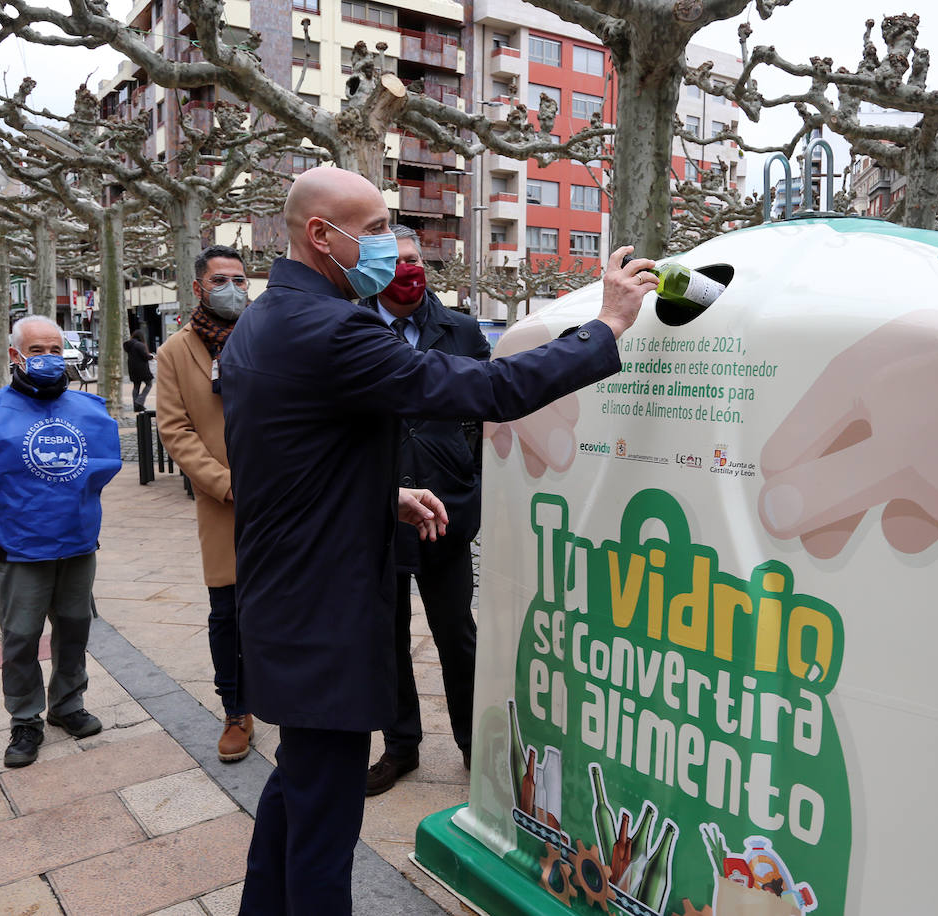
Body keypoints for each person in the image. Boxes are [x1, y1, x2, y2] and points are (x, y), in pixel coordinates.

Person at [219, 165, 658, 915]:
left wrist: (383, 496)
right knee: (324, 823)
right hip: (321, 616)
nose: (396, 245)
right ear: (322, 236)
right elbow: (483, 390)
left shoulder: (266, 319)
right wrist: (607, 327)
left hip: (283, 600)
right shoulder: (333, 327)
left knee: (300, 787)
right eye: (380, 229)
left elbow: (289, 459)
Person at [0, 315, 122, 768]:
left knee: (73, 628)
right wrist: (21, 512)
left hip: (76, 542)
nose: (48, 359)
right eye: (36, 351)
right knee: (22, 636)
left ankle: (68, 705)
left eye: (55, 350)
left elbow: (100, 473)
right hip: (20, 547)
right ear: (16, 356)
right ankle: (25, 719)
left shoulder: (90, 411)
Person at [363, 226, 490, 795]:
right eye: (396, 262)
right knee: (386, 637)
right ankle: (401, 746)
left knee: (457, 633)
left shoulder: (460, 329)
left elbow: (489, 410)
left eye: (415, 259)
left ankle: (473, 745)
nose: (409, 270)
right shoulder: (353, 326)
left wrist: (472, 475)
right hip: (379, 509)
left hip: (447, 507)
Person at [155, 245, 255, 762]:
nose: (233, 288)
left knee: (282, 604)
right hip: (225, 503)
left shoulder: (269, 335)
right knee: (226, 612)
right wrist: (225, 482)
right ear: (199, 287)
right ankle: (236, 710)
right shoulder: (176, 351)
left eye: (240, 279)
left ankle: (282, 695)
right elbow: (176, 429)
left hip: (283, 496)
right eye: (221, 280)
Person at [123, 329, 154, 411]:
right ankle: (139, 402)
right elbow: (145, 357)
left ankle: (136, 407)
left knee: (136, 386)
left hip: (132, 369)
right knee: (149, 384)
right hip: (142, 369)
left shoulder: (129, 345)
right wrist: (152, 357)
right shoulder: (139, 345)